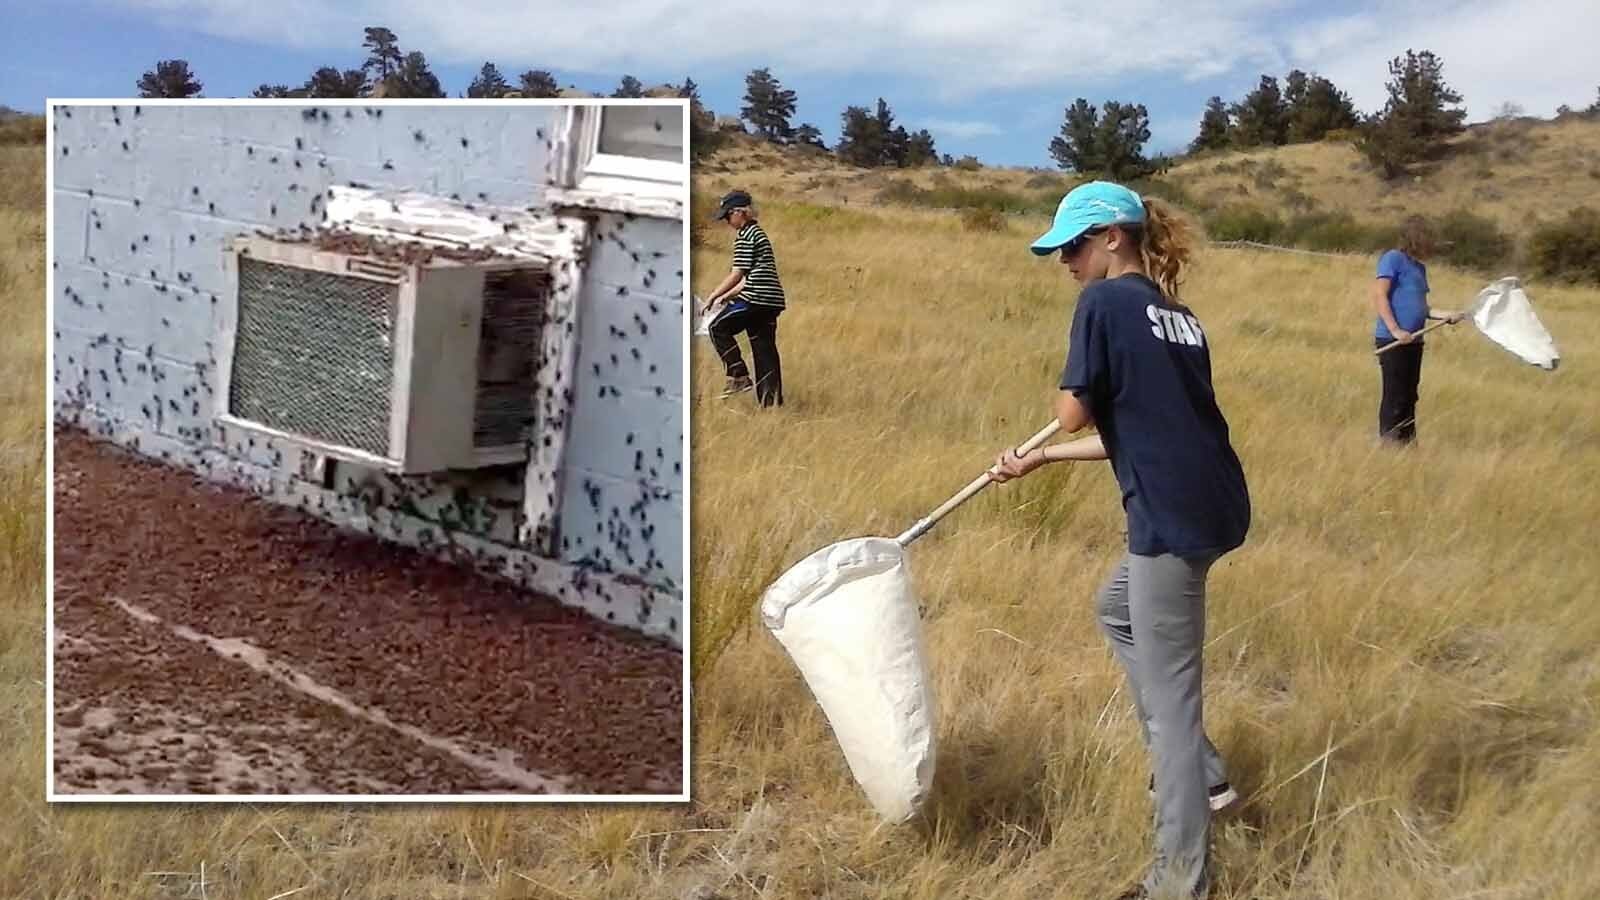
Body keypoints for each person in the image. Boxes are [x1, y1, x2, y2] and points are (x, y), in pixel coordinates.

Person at [988, 181, 1250, 900]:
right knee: (1115, 608)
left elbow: (1073, 413)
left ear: (1112, 238)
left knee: (1170, 713)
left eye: (1071, 246)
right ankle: (1205, 767)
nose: (1064, 261)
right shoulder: (1180, 317)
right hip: (1215, 503)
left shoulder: (1102, 303)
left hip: (1170, 521)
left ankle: (1179, 882)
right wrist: (1037, 459)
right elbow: (1131, 432)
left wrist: (1058, 415)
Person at [1371, 216, 1464, 445]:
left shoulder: (1420, 269)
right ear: (1416, 238)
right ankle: (1389, 444)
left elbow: (1422, 307)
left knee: (1410, 395)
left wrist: (1445, 314)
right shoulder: (1392, 259)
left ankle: (1408, 444)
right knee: (1395, 394)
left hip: (1414, 341)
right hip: (1393, 340)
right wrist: (1395, 329)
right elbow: (1379, 294)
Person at [700, 189, 786, 406]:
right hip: (771, 301)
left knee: (717, 328)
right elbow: (749, 278)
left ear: (741, 212)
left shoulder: (745, 236)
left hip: (755, 299)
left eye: (728, 215)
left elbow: (738, 273)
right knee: (764, 350)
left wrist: (713, 296)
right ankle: (771, 404)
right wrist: (727, 296)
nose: (727, 221)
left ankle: (738, 376)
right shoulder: (759, 233)